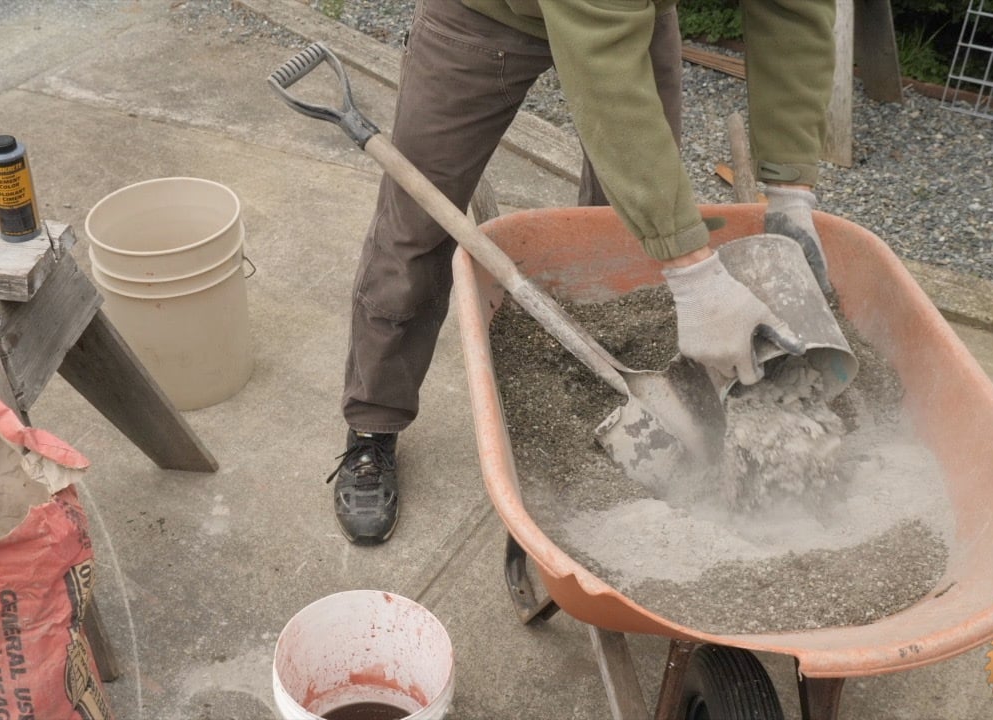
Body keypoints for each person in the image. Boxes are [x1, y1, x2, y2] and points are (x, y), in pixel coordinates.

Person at [327, 0, 837, 545]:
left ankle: (609, 378)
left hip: (630, 12)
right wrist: (694, 275)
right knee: (416, 224)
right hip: (488, 14)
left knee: (632, 230)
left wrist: (790, 192)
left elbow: (795, 11)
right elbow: (607, 82)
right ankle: (373, 423)